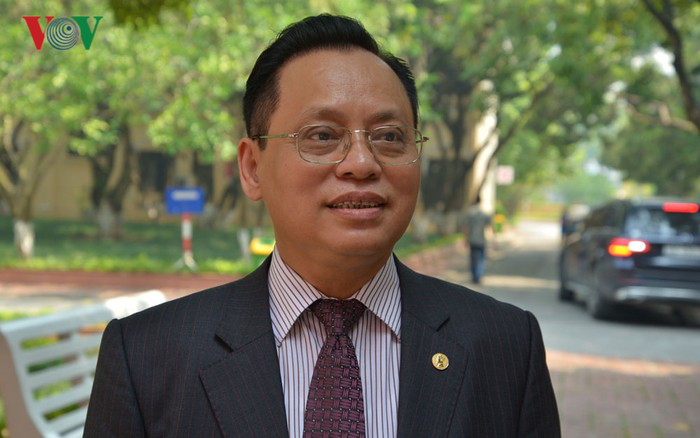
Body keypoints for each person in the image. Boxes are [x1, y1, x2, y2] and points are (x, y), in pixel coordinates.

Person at [84, 14, 560, 437]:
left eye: (389, 136)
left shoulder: (505, 346)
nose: (361, 163)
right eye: (323, 135)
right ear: (252, 168)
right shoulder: (146, 355)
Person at [463, 198, 492, 284]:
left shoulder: (470, 213)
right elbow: (489, 226)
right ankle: (479, 276)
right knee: (481, 259)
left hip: (472, 240)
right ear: (480, 202)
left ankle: (474, 277)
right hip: (482, 240)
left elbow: (466, 228)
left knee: (473, 258)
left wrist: (466, 239)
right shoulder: (484, 214)